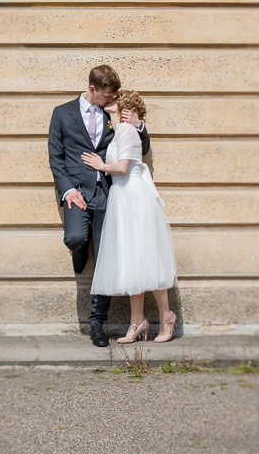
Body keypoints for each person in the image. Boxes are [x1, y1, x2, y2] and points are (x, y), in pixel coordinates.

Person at [47, 65, 149, 347]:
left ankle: (97, 323)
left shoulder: (115, 112)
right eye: (106, 96)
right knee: (76, 238)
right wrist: (67, 189)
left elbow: (142, 147)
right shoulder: (62, 113)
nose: (110, 100)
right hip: (77, 192)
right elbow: (55, 157)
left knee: (106, 257)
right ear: (92, 90)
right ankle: (80, 250)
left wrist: (137, 124)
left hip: (107, 193)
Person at [82, 89, 178, 344]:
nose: (109, 102)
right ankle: (137, 322)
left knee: (147, 257)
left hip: (134, 197)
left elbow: (123, 167)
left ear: (126, 109)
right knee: (133, 260)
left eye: (115, 100)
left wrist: (101, 166)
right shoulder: (119, 132)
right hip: (122, 197)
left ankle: (167, 317)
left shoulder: (126, 129)